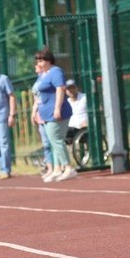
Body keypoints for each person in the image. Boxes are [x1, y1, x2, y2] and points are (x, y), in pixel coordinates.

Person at [34, 47, 77, 182]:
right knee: (53, 141)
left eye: (41, 61)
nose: (39, 64)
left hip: (57, 113)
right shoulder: (43, 74)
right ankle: (57, 168)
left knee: (57, 140)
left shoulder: (55, 71)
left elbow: (60, 89)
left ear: (48, 61)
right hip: (46, 114)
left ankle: (68, 167)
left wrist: (57, 108)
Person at [31, 62, 53, 178]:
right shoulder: (37, 81)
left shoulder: (48, 77)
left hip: (48, 112)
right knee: (46, 143)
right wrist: (33, 112)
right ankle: (50, 167)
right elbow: (36, 99)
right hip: (40, 114)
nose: (35, 66)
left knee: (52, 141)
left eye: (37, 64)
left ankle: (59, 166)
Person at [65, 79, 88, 144]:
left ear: (76, 88)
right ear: (66, 91)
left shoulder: (85, 97)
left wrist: (88, 121)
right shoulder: (67, 102)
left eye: (72, 88)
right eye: (69, 89)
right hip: (70, 128)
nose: (71, 90)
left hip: (83, 127)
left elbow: (97, 109)